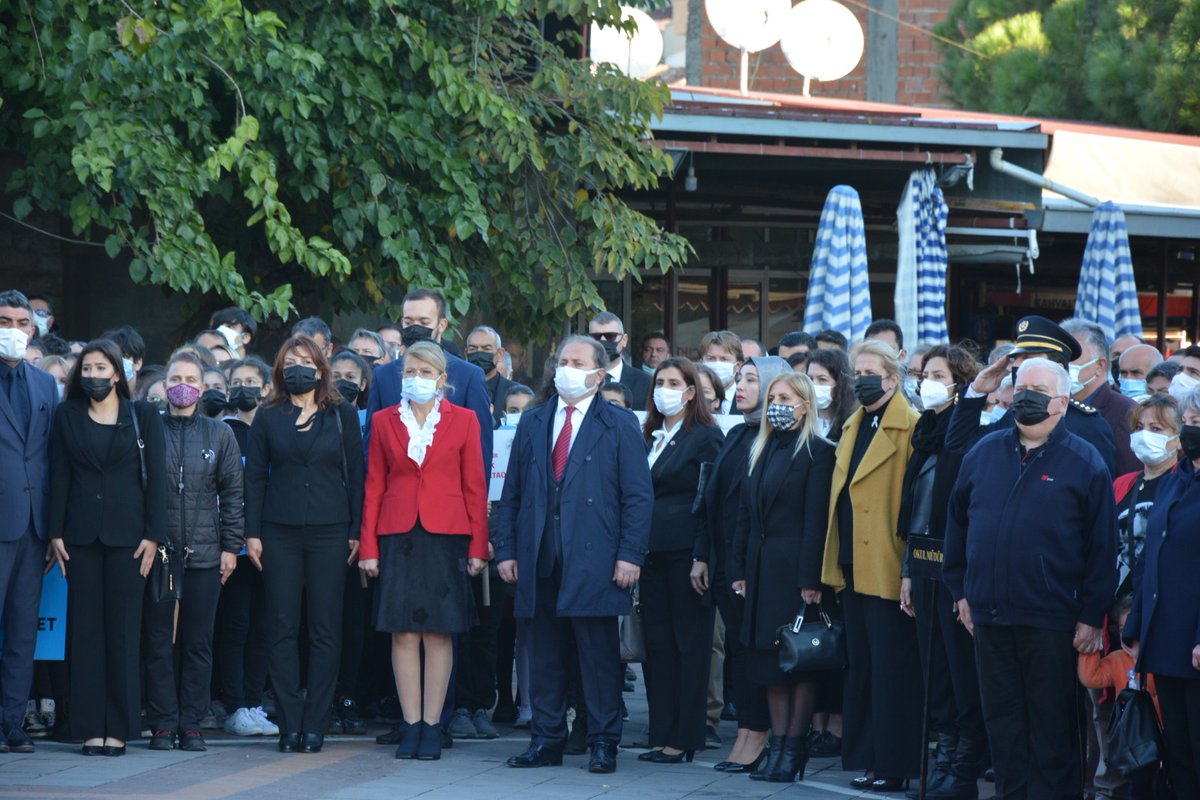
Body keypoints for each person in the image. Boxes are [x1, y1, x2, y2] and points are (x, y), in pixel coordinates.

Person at [944, 357, 1117, 800]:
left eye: (1038, 388)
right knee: (1002, 723)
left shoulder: (1084, 460)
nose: (1026, 395)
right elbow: (958, 525)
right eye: (1021, 386)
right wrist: (961, 591)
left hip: (1053, 619)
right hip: (990, 616)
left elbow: (1102, 547)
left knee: (1052, 727)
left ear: (1061, 401)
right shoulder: (984, 452)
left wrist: (1090, 614)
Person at [494, 335, 652, 774]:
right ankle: (546, 740)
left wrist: (630, 555)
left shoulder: (619, 424)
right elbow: (512, 494)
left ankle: (603, 741)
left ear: (599, 374)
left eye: (576, 361)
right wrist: (506, 548)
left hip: (596, 558)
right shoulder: (533, 421)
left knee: (598, 658)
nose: (565, 368)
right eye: (561, 360)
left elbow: (638, 497)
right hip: (541, 555)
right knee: (543, 654)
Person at [358, 341, 489, 761]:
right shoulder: (382, 421)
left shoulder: (464, 420)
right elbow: (373, 486)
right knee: (402, 632)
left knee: (438, 632)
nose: (416, 378)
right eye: (410, 371)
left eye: (425, 372)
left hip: (446, 534)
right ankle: (410, 723)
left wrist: (478, 545)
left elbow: (475, 484)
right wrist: (368, 547)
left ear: (441, 379)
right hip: (397, 535)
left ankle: (433, 725)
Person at [243, 334, 365, 754]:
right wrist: (252, 533)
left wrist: (357, 529)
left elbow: (359, 476)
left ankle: (316, 723)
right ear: (280, 368)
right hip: (278, 530)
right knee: (281, 627)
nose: (298, 366)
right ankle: (288, 723)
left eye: (306, 360)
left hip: (332, 529)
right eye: (291, 360)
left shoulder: (342, 415)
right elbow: (255, 477)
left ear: (321, 368)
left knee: (325, 628)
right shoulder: (268, 416)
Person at [47, 339, 167, 756]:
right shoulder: (67, 415)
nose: (94, 376)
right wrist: (54, 531)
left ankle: (118, 728)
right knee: (84, 633)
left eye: (102, 369)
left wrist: (154, 535)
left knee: (122, 631)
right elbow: (59, 474)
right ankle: (88, 727)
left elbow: (157, 478)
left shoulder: (144, 415)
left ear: (118, 373)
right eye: (88, 369)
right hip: (79, 537)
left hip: (130, 540)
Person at [820, 339, 922, 791]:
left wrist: (908, 571)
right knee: (861, 668)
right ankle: (868, 759)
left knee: (891, 670)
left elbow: (914, 506)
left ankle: (894, 765)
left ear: (893, 378)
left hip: (886, 562)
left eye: (869, 372)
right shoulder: (852, 424)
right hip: (851, 563)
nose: (860, 379)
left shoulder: (911, 427)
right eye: (855, 372)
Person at [729, 371, 834, 784]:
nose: (777, 403)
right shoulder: (761, 448)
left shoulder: (818, 453)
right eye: (773, 396)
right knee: (768, 662)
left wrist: (812, 579)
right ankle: (778, 747)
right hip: (759, 570)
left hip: (796, 574)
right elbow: (744, 515)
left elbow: (816, 521)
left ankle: (794, 748)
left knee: (799, 661)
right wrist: (738, 568)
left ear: (805, 405)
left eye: (786, 397)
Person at [143, 351, 244, 752]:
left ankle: (192, 722)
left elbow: (234, 493)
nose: (181, 384)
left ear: (202, 388)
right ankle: (163, 723)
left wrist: (230, 546)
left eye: (190, 378)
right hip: (160, 552)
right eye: (174, 377)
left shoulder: (220, 434)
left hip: (205, 551)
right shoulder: (149, 428)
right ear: (164, 385)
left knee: (198, 640)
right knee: (157, 639)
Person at [691, 356, 788, 773]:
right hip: (724, 562)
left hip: (758, 569)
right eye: (739, 379)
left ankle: (760, 733)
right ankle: (749, 732)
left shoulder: (779, 439)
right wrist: (701, 555)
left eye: (751, 379)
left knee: (756, 652)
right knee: (738, 651)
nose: (741, 386)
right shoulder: (734, 435)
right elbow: (710, 502)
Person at [896, 345, 985, 799]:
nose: (924, 381)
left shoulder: (965, 432)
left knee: (957, 668)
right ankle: (943, 755)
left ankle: (962, 763)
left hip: (954, 567)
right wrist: (908, 570)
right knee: (933, 667)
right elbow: (915, 509)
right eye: (922, 373)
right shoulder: (925, 430)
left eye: (935, 374)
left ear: (960, 383)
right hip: (924, 562)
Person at [637, 358, 724, 764]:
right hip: (650, 554)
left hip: (686, 553)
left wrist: (702, 555)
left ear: (691, 391)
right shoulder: (649, 434)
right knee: (658, 646)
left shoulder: (705, 437)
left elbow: (710, 501)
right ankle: (661, 732)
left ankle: (686, 736)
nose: (664, 389)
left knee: (689, 645)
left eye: (674, 382)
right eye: (659, 382)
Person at [1123, 386, 1200, 798]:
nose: (1192, 431)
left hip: (1195, 639)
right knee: (1180, 750)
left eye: (1198, 424)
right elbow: (1149, 558)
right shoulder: (1176, 481)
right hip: (1167, 639)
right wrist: (1136, 626)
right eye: (1188, 423)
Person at [945, 315, 1117, 476]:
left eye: (1027, 358)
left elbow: (1099, 494)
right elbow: (960, 446)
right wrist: (977, 391)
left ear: (1057, 366)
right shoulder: (1014, 416)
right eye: (1016, 358)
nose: (1017, 365)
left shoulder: (1088, 426)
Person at [0, 290, 57, 753]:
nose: (14, 330)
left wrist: (53, 528)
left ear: (33, 330)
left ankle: (12, 722)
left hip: (33, 529)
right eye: (4, 320)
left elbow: (51, 459)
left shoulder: (44, 386)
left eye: (22, 323)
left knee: (22, 632)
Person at [366, 288, 492, 482]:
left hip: (448, 500)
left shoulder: (469, 376)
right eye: (408, 322)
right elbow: (372, 447)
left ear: (442, 325)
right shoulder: (384, 375)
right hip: (397, 499)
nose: (415, 328)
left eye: (424, 322)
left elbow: (480, 451)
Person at [216, 356, 277, 739]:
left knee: (264, 628)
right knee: (235, 626)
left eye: (252, 381)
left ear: (267, 388)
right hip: (233, 546)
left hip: (271, 546)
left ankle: (254, 703)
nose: (244, 388)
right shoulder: (222, 432)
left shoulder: (274, 429)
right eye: (236, 381)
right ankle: (234, 704)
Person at [1062, 319, 1139, 475]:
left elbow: (1127, 478)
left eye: (1072, 357)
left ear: (1100, 365)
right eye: (1059, 357)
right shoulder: (1056, 405)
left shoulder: (1125, 411)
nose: (1063, 364)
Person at [589, 312, 650, 410]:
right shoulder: (577, 379)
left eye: (610, 336)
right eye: (596, 337)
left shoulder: (645, 383)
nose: (603, 341)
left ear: (624, 340)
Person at [466, 325, 516, 425]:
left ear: (500, 354)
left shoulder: (514, 391)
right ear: (466, 354)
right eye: (473, 349)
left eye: (486, 349)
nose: (479, 353)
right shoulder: (455, 389)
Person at [806, 348, 856, 441]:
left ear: (840, 383)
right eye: (810, 379)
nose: (813, 385)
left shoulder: (852, 422)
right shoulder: (802, 421)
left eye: (822, 379)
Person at [699, 331, 743, 415]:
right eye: (710, 359)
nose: (717, 364)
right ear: (701, 363)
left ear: (738, 365)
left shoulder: (747, 399)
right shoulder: (692, 397)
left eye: (724, 359)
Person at [98, 325, 145, 394]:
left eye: (124, 356)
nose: (117, 361)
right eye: (112, 357)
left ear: (138, 363)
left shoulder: (147, 398)